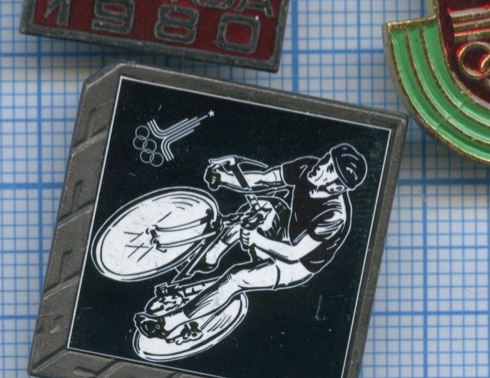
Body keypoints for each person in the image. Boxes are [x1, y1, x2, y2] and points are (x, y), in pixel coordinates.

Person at [135, 143, 368, 343]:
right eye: (326, 159)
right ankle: (208, 260)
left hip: (297, 264)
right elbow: (264, 180)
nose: (321, 165)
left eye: (329, 169)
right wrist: (225, 179)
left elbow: (293, 253)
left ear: (337, 187)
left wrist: (257, 239)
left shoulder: (334, 215)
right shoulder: (308, 168)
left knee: (237, 278)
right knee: (261, 208)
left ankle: (168, 324)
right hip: (286, 233)